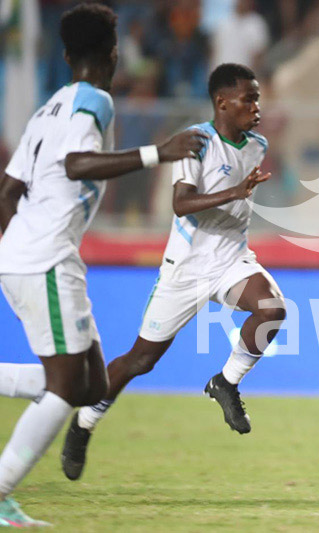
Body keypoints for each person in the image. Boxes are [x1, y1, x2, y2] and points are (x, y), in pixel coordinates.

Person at [0, 4, 205, 527]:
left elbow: (8, 191)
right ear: (113, 56)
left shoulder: (48, 109)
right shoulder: (96, 101)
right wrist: (160, 152)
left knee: (89, 384)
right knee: (67, 387)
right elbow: (77, 165)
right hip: (44, 258)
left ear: (67, 55)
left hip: (34, 254)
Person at [59, 63, 286, 482]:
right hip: (186, 268)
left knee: (272, 309)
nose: (257, 106)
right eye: (248, 98)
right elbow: (181, 205)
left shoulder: (257, 145)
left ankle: (226, 382)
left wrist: (239, 195)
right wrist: (235, 192)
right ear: (222, 102)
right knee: (140, 360)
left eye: (257, 97)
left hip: (232, 258)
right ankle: (84, 423)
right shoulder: (196, 142)